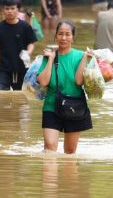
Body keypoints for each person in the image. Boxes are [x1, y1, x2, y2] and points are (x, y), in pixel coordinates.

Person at [37, 20, 92, 154]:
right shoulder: (48, 56)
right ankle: (50, 175)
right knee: (49, 147)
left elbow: (79, 81)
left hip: (75, 107)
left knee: (70, 152)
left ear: (73, 37)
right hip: (51, 106)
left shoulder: (80, 56)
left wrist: (85, 59)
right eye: (60, 34)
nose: (63, 38)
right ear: (55, 36)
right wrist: (50, 59)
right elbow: (43, 82)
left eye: (67, 34)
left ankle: (69, 175)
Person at [0, 0, 38, 91]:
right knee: (0, 93)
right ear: (3, 10)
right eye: (7, 8)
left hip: (22, 69)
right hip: (4, 68)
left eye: (12, 8)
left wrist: (28, 52)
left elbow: (31, 43)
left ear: (18, 10)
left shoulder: (25, 27)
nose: (9, 11)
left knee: (21, 97)